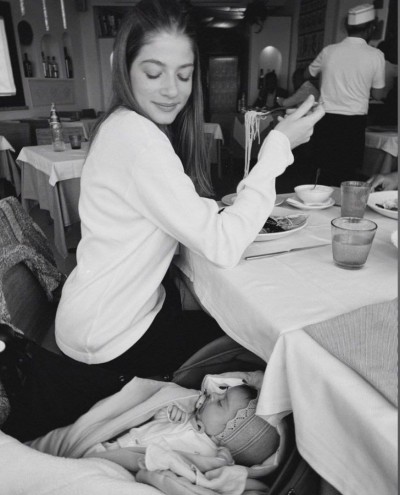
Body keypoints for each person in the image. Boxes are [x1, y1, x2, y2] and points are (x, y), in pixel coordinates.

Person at [3, 0, 324, 441]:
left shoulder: (125, 126)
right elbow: (223, 245)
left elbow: (181, 216)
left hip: (107, 312)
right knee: (257, 349)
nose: (172, 90)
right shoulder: (137, 139)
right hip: (109, 337)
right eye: (154, 73)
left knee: (227, 318)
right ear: (125, 68)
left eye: (184, 74)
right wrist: (277, 149)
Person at [86, 384, 279, 470]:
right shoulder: (188, 415)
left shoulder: (211, 457)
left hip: (132, 464)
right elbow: (152, 422)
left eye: (221, 403)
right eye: (222, 391)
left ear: (227, 435)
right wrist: (168, 413)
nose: (214, 394)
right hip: (115, 446)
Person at [304, 3, 386, 186]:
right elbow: (379, 94)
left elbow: (306, 74)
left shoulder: (329, 51)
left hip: (326, 119)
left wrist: (328, 80)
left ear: (347, 27)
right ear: (371, 28)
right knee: (347, 174)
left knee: (322, 172)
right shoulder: (376, 55)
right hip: (353, 123)